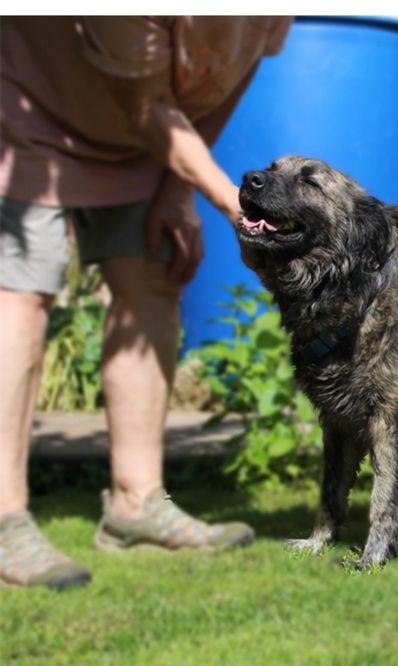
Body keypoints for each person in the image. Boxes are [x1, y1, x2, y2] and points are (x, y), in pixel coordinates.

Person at [0, 17, 293, 589]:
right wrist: (239, 211)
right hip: (27, 104)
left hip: (141, 132)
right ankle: (4, 519)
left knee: (156, 272)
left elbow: (232, 80)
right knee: (22, 294)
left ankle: (135, 506)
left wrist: (179, 190)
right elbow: (146, 103)